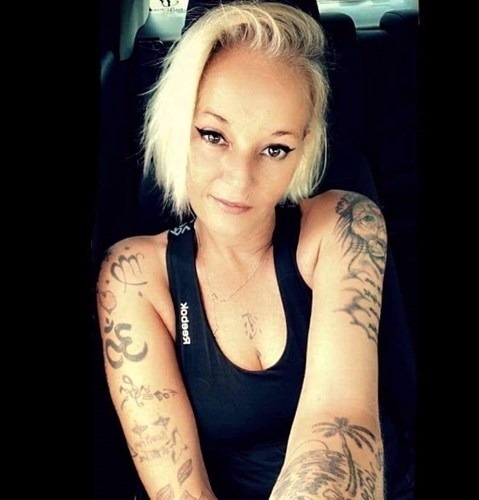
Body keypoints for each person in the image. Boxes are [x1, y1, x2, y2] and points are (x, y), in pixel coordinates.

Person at [96, 1, 392, 498]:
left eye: (275, 148)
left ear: (304, 146)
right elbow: (179, 491)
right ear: (178, 126)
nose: (239, 180)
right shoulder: (132, 276)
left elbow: (340, 421)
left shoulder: (345, 226)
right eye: (213, 136)